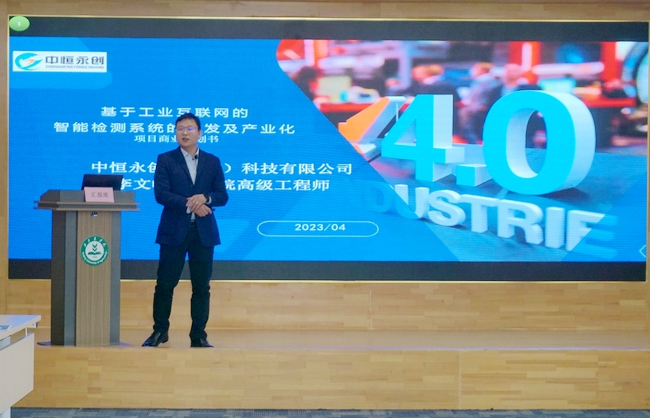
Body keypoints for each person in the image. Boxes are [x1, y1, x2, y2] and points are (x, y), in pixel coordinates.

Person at [142, 112, 229, 348]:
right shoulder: (166, 159)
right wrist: (192, 204)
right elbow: (161, 194)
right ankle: (160, 331)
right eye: (180, 128)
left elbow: (222, 196)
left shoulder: (212, 161)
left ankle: (198, 335)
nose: (184, 133)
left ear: (200, 133)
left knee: (201, 286)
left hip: (203, 233)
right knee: (165, 284)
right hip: (173, 231)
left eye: (189, 128)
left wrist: (205, 198)